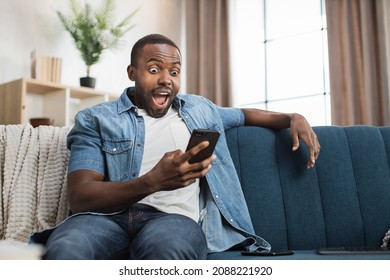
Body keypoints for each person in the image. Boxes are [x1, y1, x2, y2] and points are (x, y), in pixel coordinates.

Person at [30, 33, 320, 260]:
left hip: (173, 222)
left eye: (174, 71)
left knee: (165, 254)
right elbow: (81, 196)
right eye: (154, 69)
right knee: (68, 249)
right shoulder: (95, 118)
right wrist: (152, 182)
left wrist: (292, 117)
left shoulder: (201, 109)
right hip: (104, 220)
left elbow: (244, 114)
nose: (166, 79)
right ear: (132, 72)